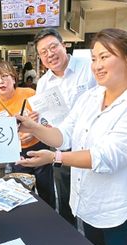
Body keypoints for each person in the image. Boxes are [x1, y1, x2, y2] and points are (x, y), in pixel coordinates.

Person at [16, 28, 127, 245]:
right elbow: (66, 135)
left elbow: (107, 157)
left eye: (105, 57)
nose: (97, 65)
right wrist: (33, 128)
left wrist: (54, 158)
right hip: (92, 200)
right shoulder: (91, 96)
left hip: (122, 204)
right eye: (94, 58)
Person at [34, 28, 97, 227]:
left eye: (53, 47)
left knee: (92, 196)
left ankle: (93, 237)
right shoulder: (43, 84)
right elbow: (44, 120)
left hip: (91, 146)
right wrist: (41, 123)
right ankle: (70, 236)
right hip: (62, 147)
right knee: (65, 194)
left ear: (63, 45)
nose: (49, 54)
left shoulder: (90, 68)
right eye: (43, 52)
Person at [0, 59, 55, 209]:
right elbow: (0, 140)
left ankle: (50, 220)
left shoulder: (29, 93)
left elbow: (48, 118)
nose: (1, 82)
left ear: (13, 77)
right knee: (23, 193)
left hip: (39, 147)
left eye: (4, 76)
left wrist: (36, 129)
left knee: (46, 190)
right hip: (18, 155)